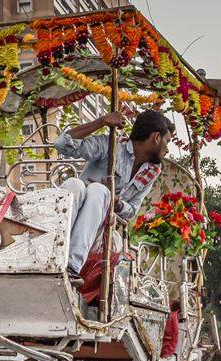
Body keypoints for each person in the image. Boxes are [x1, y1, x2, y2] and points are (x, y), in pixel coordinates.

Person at [54, 109, 175, 282]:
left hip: (100, 231)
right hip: (69, 215)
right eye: (167, 141)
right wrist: (101, 121)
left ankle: (71, 267)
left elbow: (132, 210)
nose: (168, 149)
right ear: (156, 137)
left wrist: (116, 201)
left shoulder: (152, 170)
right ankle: (54, 253)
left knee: (100, 191)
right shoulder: (111, 145)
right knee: (76, 184)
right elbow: (61, 144)